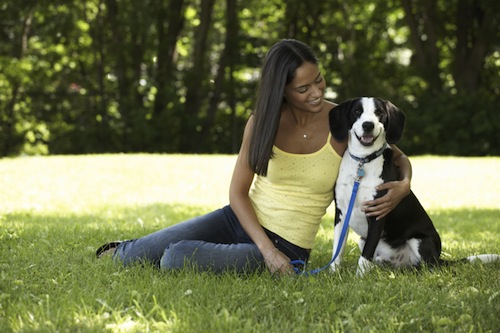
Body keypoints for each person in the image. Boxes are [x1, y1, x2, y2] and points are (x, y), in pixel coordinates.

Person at [96, 39, 412, 275]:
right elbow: (237, 192)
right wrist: (265, 250)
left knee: (174, 258)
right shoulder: (262, 122)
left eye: (318, 80)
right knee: (127, 257)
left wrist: (404, 186)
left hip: (288, 245)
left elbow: (398, 159)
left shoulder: (343, 123)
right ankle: (141, 247)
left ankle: (174, 250)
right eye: (303, 88)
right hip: (238, 220)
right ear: (283, 90)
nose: (316, 92)